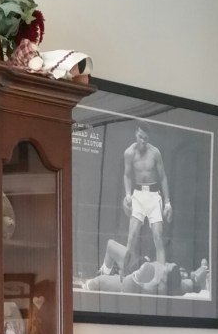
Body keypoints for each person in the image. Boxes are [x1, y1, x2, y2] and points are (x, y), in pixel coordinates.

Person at [120, 124, 172, 277]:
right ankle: (123, 275)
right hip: (138, 196)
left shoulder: (155, 152)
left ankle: (161, 277)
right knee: (132, 237)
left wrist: (167, 202)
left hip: (154, 196)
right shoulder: (129, 153)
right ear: (136, 134)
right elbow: (127, 175)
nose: (143, 141)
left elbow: (163, 177)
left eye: (146, 138)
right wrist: (128, 194)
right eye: (140, 137)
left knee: (158, 237)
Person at [86, 238, 202, 296]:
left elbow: (128, 285)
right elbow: (193, 284)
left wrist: (137, 276)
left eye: (166, 266)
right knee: (111, 245)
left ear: (164, 279)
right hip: (140, 265)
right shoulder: (181, 283)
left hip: (135, 269)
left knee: (110, 245)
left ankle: (104, 273)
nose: (166, 264)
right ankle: (105, 273)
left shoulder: (155, 284)